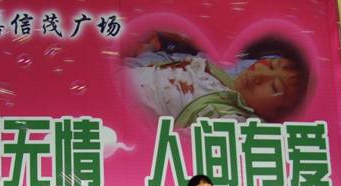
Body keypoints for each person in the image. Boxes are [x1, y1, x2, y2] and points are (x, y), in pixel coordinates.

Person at [124, 33, 309, 126]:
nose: (261, 74)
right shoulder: (218, 72)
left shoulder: (232, 122)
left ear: (277, 117)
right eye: (270, 64)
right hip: (128, 76)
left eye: (274, 86)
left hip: (127, 111)